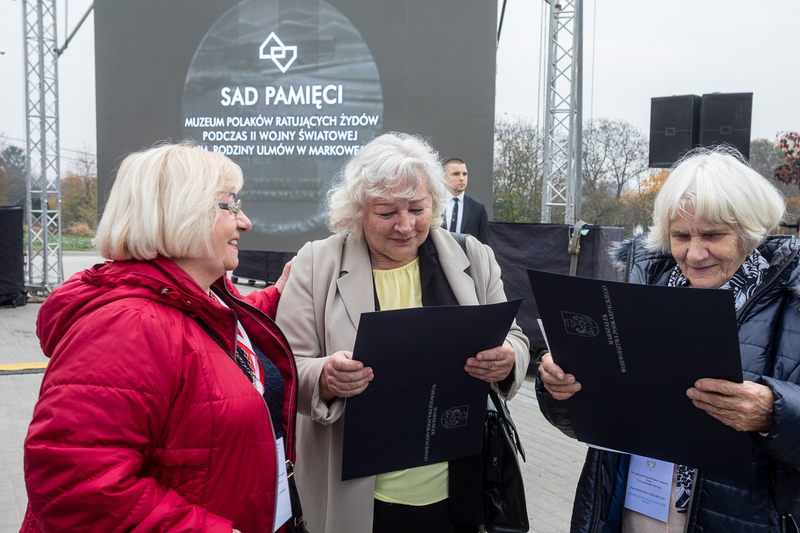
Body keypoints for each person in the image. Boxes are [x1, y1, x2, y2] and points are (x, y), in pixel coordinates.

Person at [20, 143, 299, 533]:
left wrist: (276, 295)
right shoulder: (126, 327)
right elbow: (76, 488)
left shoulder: (203, 296)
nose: (245, 222)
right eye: (230, 206)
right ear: (183, 213)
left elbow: (212, 335)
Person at [275, 133, 529, 533]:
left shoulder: (472, 256)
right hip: (358, 497)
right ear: (358, 209)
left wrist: (509, 358)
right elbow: (286, 368)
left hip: (456, 490)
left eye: (417, 208)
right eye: (386, 211)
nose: (405, 225)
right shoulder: (315, 263)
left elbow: (515, 337)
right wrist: (325, 376)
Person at [536, 147, 800, 533]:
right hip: (628, 515)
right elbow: (588, 426)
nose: (694, 253)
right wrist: (559, 390)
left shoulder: (793, 302)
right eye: (680, 235)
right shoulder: (639, 287)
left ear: (751, 230)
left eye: (713, 235)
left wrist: (773, 413)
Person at [443, 158, 490, 245]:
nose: (461, 178)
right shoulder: (434, 204)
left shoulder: (478, 209)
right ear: (445, 178)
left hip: (466, 258)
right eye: (456, 174)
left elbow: (484, 244)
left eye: (464, 174)